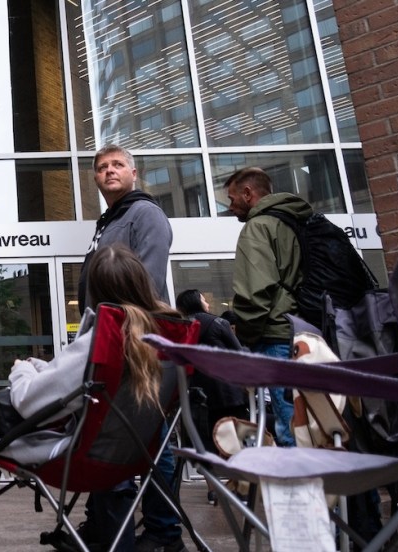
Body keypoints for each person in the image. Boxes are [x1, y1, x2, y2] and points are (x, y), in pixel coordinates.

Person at [0, 244, 185, 552]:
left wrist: (21, 371)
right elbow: (75, 376)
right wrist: (41, 367)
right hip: (132, 457)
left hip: (80, 458)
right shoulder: (162, 337)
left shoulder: (107, 336)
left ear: (94, 290)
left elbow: (27, 400)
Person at [73, 145, 181, 552]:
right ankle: (104, 526)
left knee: (152, 441)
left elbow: (146, 286)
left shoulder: (145, 214)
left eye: (117, 165)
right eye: (102, 168)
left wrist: (122, 335)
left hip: (138, 345)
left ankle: (164, 533)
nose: (109, 171)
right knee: (114, 438)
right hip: (109, 342)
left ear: (134, 173)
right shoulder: (109, 220)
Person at [225, 166, 312, 447]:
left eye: (232, 198)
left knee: (289, 426)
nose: (230, 206)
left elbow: (255, 294)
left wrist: (245, 335)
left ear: (248, 194)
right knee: (314, 421)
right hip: (307, 332)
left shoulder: (259, 226)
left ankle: (300, 488)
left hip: (276, 336)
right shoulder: (296, 219)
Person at [174, 289, 248, 505]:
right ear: (197, 301)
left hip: (198, 394)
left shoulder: (181, 327)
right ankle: (239, 488)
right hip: (227, 392)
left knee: (205, 444)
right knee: (233, 440)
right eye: (204, 299)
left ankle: (213, 490)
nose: (207, 302)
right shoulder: (218, 323)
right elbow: (238, 352)